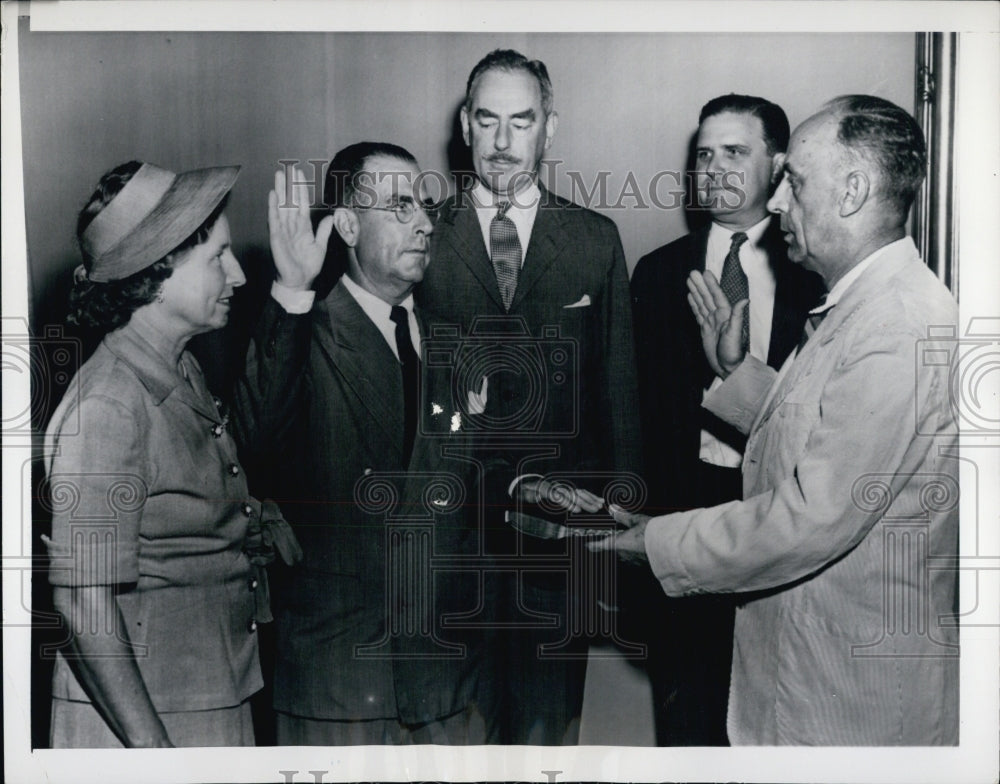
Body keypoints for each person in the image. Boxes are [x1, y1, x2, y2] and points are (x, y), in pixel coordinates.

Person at [594, 95, 959, 745]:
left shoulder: (896, 324)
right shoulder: (867, 305)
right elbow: (821, 430)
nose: (780, 202)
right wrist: (737, 372)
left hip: (848, 703)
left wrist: (655, 543)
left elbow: (811, 516)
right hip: (812, 677)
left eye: (795, 181)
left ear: (852, 191)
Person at [415, 49, 641, 745]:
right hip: (445, 543)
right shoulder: (421, 234)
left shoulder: (594, 241)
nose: (504, 142)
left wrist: (626, 517)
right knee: (449, 737)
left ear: (550, 128)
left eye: (523, 121)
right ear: (465, 126)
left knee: (545, 737)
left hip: (556, 548)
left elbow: (619, 393)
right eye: (488, 121)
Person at [232, 143, 487, 745]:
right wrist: (291, 291)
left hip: (446, 685)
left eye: (423, 207)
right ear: (347, 224)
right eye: (400, 207)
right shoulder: (302, 332)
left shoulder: (455, 344)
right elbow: (252, 443)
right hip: (337, 687)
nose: (425, 222)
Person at [42, 160, 298, 747]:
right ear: (155, 272)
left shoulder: (180, 368)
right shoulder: (109, 405)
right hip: (145, 723)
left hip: (207, 694)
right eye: (218, 258)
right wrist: (156, 755)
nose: (237, 274)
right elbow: (83, 603)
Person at [628, 94, 822, 745]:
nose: (714, 168)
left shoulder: (815, 275)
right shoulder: (656, 275)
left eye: (735, 152)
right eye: (704, 154)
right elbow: (637, 420)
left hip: (783, 525)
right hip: (683, 526)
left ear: (776, 165)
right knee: (689, 727)